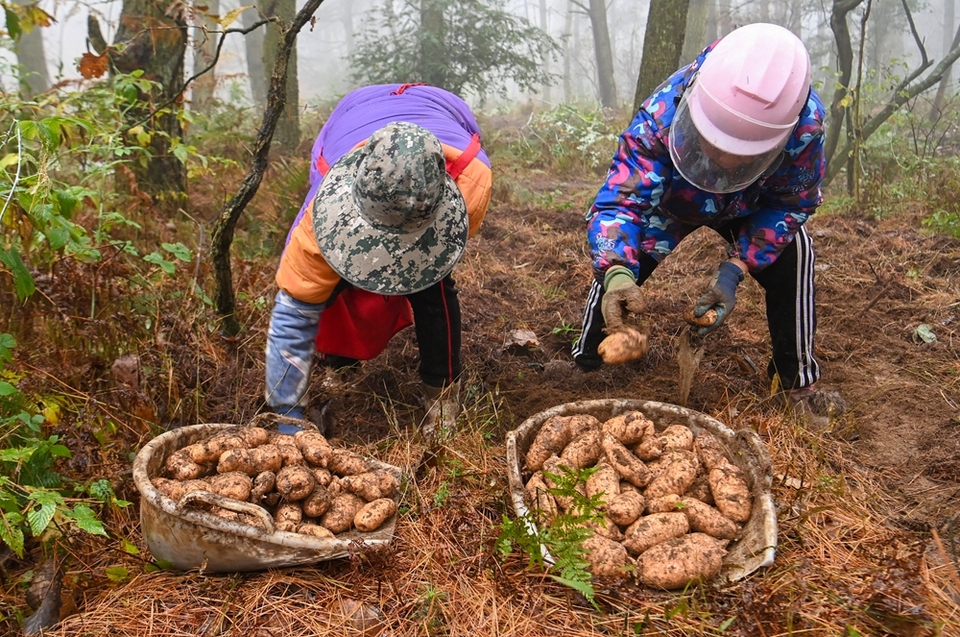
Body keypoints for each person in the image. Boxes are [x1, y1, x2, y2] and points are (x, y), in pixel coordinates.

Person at [571, 23, 845, 426]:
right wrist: (615, 271)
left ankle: (796, 383)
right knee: (620, 276)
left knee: (797, 253)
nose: (724, 163)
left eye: (741, 156)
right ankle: (585, 363)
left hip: (748, 205)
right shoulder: (663, 112)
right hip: (672, 199)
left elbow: (791, 203)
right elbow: (622, 202)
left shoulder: (805, 130)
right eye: (714, 146)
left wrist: (737, 269)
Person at [265, 83, 492, 440]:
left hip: (439, 109)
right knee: (324, 284)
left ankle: (442, 399)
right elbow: (292, 316)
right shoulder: (318, 219)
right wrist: (287, 421)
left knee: (433, 288)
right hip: (354, 114)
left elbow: (439, 252)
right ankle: (336, 358)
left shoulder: (471, 182)